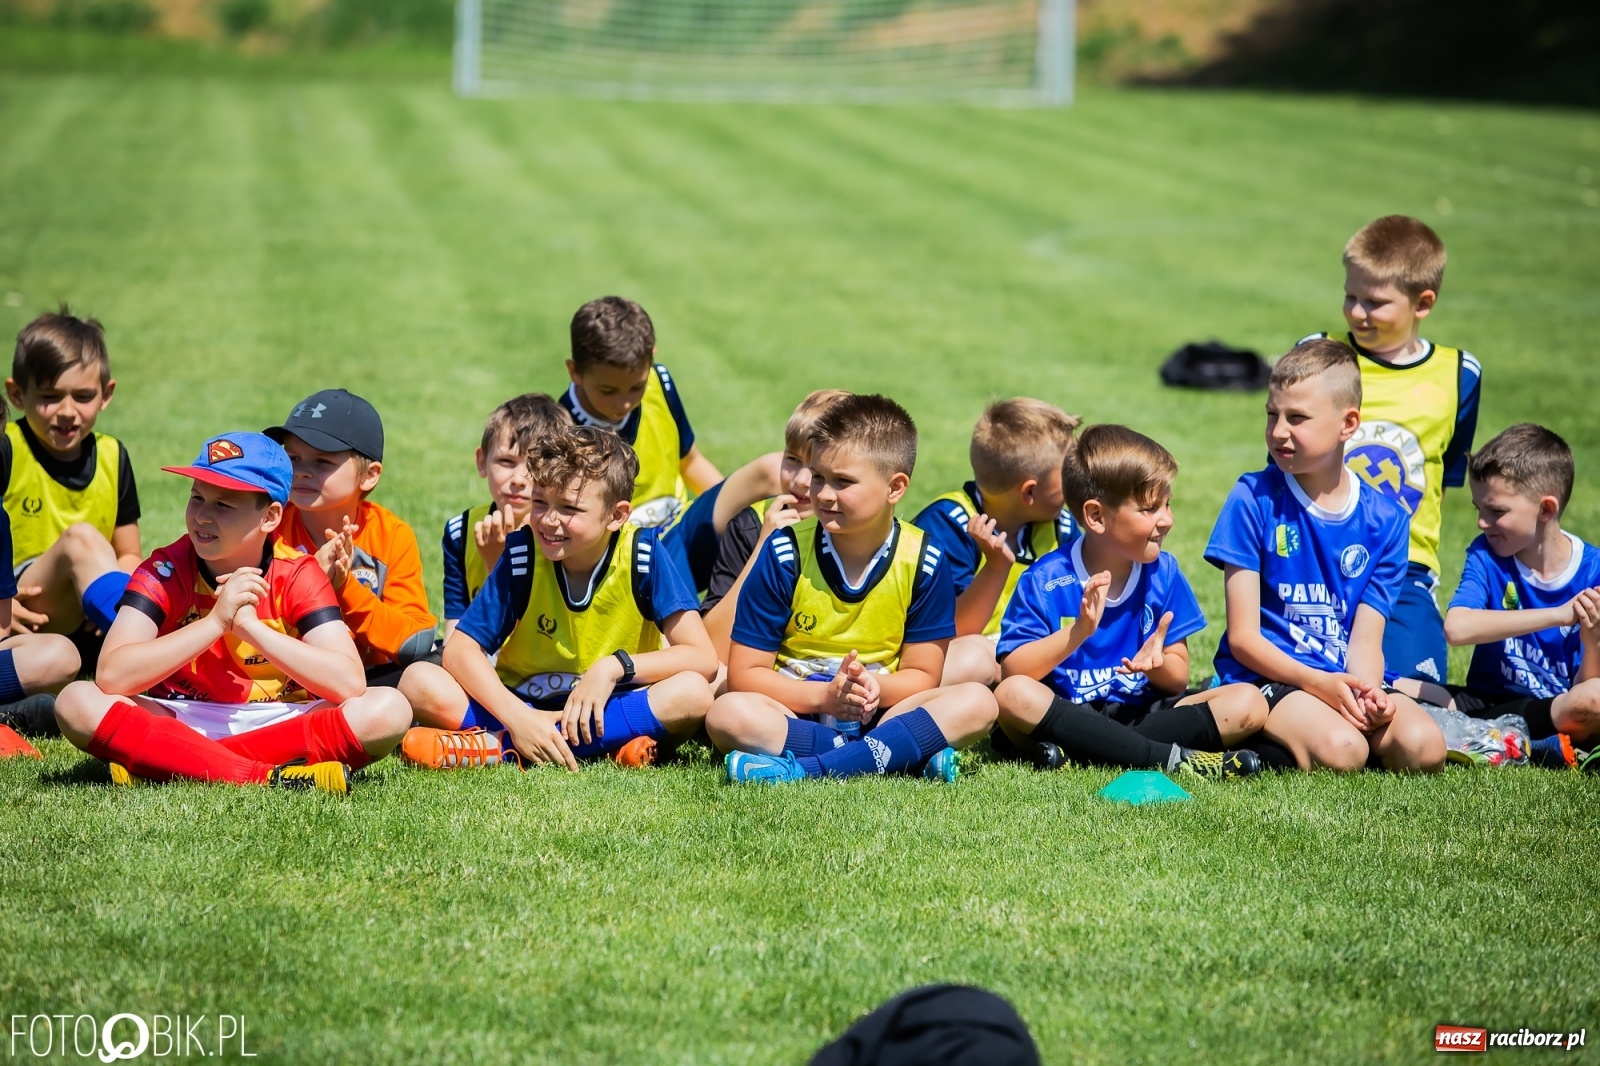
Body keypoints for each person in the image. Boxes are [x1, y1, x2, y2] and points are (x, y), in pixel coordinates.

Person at [51, 432, 412, 793]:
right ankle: (262, 777)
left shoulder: (298, 572)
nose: (202, 517)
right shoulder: (165, 568)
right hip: (179, 716)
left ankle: (167, 761)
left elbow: (349, 683)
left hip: (280, 719)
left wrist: (250, 629)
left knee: (388, 709)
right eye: (197, 498)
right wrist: (215, 623)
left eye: (223, 505)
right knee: (76, 701)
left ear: (271, 516)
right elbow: (111, 675)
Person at [706, 394, 998, 784]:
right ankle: (898, 755)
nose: (823, 494)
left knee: (979, 703)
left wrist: (875, 687)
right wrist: (825, 698)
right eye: (819, 476)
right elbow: (746, 673)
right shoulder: (783, 551)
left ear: (895, 488)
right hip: (795, 709)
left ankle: (807, 770)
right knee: (727, 714)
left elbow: (923, 675)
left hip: (883, 709)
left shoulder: (923, 559)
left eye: (843, 482)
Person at [399, 425, 717, 771]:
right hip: (524, 703)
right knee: (419, 682)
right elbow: (460, 650)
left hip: (609, 704)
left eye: (569, 508)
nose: (549, 520)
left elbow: (702, 657)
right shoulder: (522, 555)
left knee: (694, 693)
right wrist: (518, 716)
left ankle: (498, 747)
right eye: (540, 502)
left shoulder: (642, 555)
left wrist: (614, 667)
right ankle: (601, 744)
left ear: (617, 515)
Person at [1206, 338, 1445, 772]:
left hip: (1339, 679)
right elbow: (1243, 639)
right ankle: (1254, 736)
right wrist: (1320, 685)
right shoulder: (1252, 497)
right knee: (1345, 751)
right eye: (1272, 415)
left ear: (1347, 423)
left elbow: (1366, 640)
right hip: (1271, 679)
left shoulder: (1387, 518)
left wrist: (1368, 691)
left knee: (1424, 747)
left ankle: (1318, 733)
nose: (1279, 431)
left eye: (1297, 418)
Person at [992, 425, 1266, 777]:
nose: (1167, 519)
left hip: (1143, 713)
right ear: (1095, 516)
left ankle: (1093, 751)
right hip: (1067, 713)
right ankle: (1168, 759)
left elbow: (1177, 680)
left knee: (1249, 702)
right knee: (1012, 696)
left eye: (1167, 505)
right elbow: (1013, 672)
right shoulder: (1044, 580)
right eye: (1150, 508)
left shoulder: (1164, 573)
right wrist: (1078, 632)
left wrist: (1158, 663)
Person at [1300, 215, 1481, 683]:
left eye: (1375, 302)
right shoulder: (1319, 353)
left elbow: (1446, 476)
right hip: (1313, 561)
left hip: (1404, 571)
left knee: (1412, 695)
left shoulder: (1459, 374)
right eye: (1350, 296)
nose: (1358, 312)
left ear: (1423, 303)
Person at [1395, 423, 1600, 770]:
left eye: (1496, 511)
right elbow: (1457, 628)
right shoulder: (1487, 555)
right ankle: (1527, 744)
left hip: (1556, 707)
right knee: (1390, 686)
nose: (1481, 523)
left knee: (1593, 701)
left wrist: (1592, 641)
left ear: (1546, 510)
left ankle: (1514, 741)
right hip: (1486, 705)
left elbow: (1588, 688)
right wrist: (1558, 614)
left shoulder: (1592, 571)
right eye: (1478, 509)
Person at [559, 296, 781, 592]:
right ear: (574, 371)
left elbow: (690, 461)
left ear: (651, 356)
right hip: (624, 561)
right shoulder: (561, 428)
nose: (624, 401)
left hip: (683, 530)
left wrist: (737, 518)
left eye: (636, 386)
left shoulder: (659, 382)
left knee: (773, 471)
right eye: (608, 390)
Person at [1, 309, 136, 724]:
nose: (66, 411)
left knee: (96, 555)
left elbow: (129, 553)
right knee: (80, 539)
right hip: (23, 605)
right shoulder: (6, 447)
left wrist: (115, 586)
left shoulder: (113, 455)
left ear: (106, 394)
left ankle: (127, 635)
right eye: (49, 396)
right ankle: (148, 649)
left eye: (82, 396)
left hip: (87, 610)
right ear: (17, 394)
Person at [267, 389, 436, 687]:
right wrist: (310, 582)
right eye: (293, 458)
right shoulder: (268, 527)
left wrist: (345, 587)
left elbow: (414, 642)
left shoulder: (391, 534)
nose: (302, 472)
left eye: (321, 462)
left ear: (369, 475)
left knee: (435, 672)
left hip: (373, 683)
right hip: (288, 684)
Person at [913, 398, 1079, 686]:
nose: (1079, 482)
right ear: (1029, 493)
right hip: (965, 656)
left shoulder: (1061, 527)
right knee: (977, 658)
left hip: (1028, 657)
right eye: (1068, 474)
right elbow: (954, 633)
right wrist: (996, 567)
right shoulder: (948, 526)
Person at [700, 388, 851, 663]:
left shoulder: (864, 530)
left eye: (818, 470)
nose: (802, 480)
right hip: (760, 678)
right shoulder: (750, 527)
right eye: (792, 460)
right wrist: (763, 549)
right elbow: (713, 647)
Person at [440, 393, 572, 639]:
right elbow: (455, 632)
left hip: (543, 666)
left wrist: (498, 564)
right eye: (506, 461)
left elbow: (536, 638)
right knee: (421, 674)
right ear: (482, 462)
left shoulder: (563, 535)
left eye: (534, 466)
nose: (519, 480)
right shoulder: (461, 531)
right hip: (478, 660)